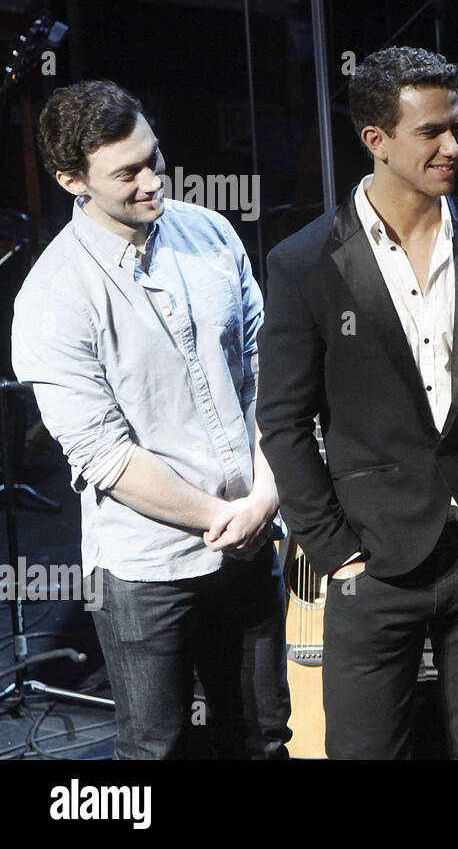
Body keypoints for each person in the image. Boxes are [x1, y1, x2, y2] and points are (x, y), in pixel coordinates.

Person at [256, 46, 458, 759]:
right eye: (432, 132)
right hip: (372, 564)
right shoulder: (305, 261)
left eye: (457, 127)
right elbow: (284, 422)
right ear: (375, 141)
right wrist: (334, 553)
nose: (454, 146)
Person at [11, 80, 289, 759]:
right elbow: (105, 456)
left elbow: (271, 376)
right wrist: (223, 518)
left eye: (153, 159)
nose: (151, 182)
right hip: (147, 568)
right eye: (127, 172)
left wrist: (264, 499)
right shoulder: (53, 296)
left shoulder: (211, 233)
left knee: (261, 740)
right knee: (155, 751)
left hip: (251, 535)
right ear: (72, 180)